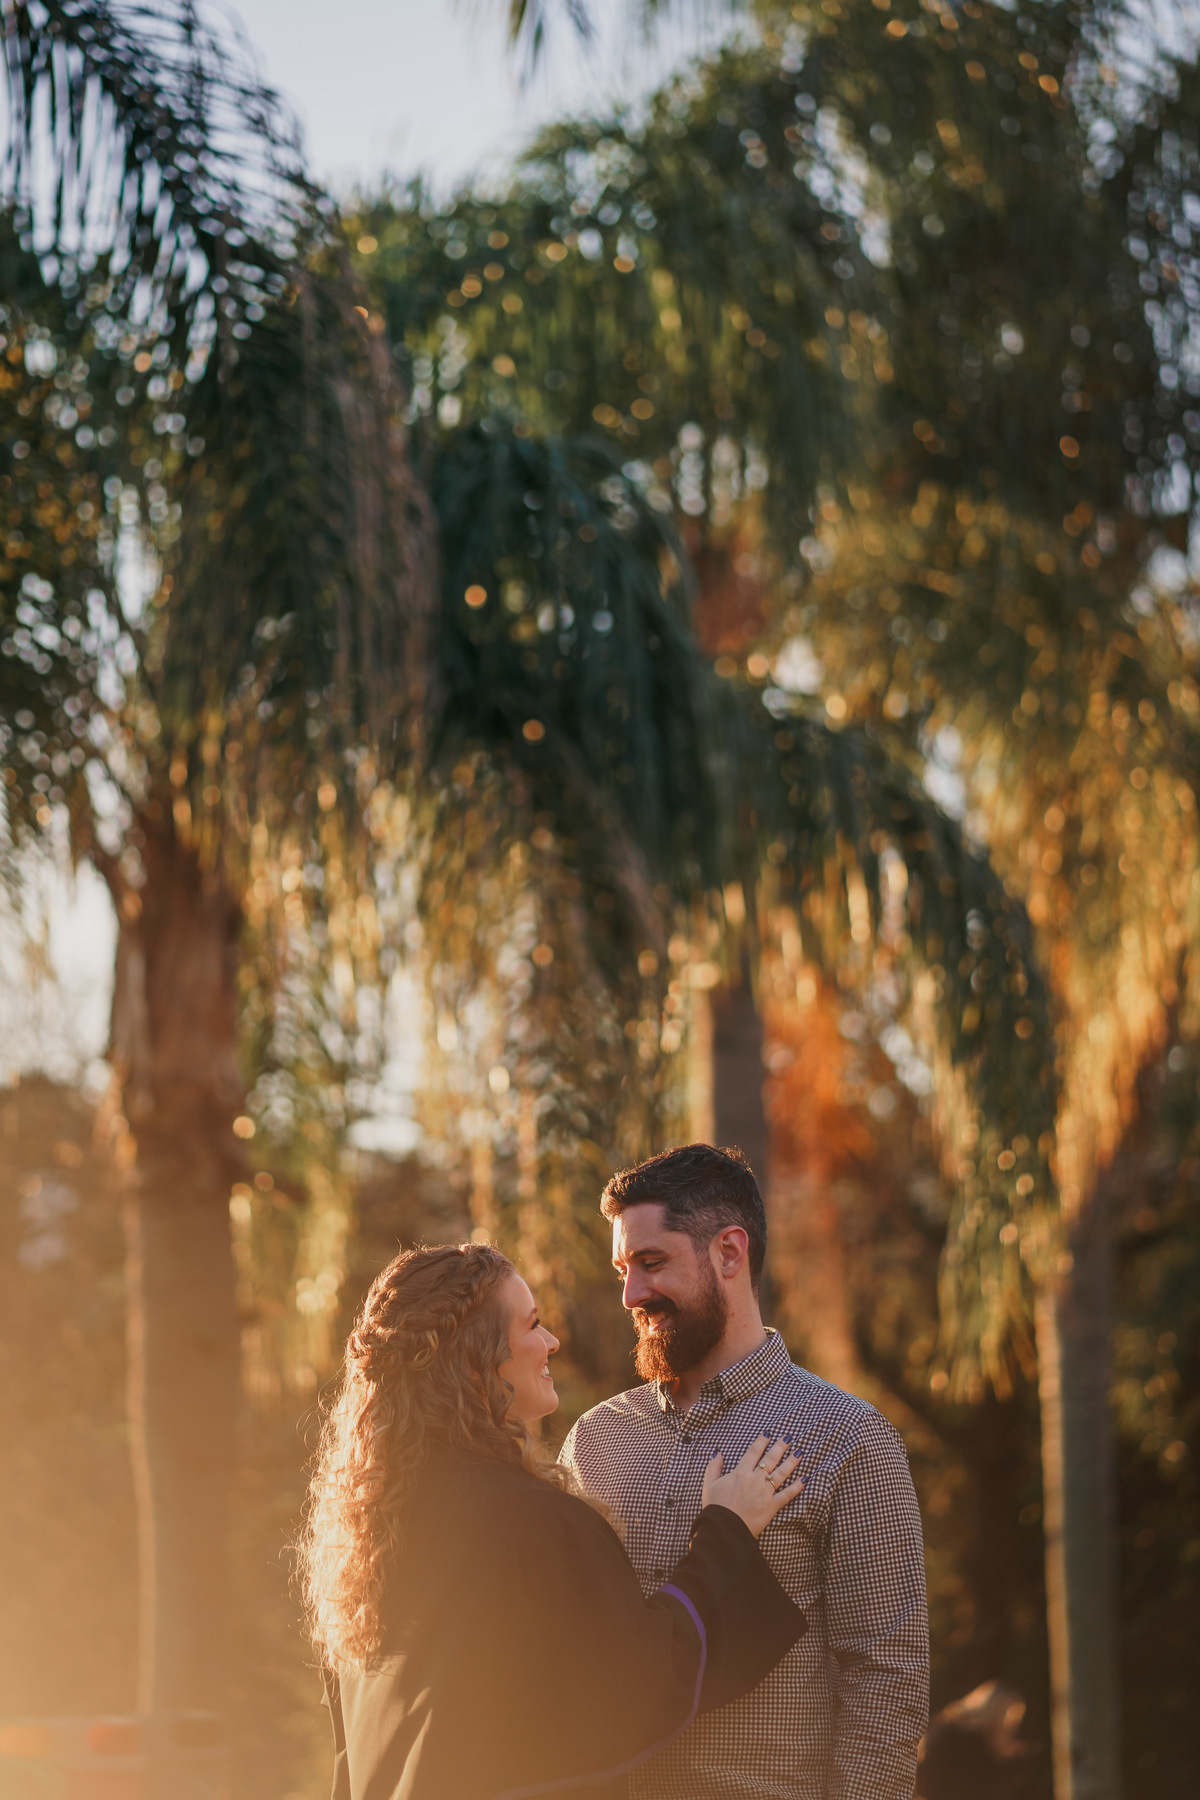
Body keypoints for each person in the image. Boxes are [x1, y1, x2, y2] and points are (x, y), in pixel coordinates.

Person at [300, 1240, 808, 1800]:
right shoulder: (531, 1523)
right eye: (532, 1325)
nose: (551, 1342)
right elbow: (634, 1682)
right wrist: (727, 1529)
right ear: (476, 1361)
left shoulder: (370, 1532)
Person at [560, 1143, 930, 1800]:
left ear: (729, 1254)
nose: (631, 1294)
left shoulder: (847, 1438)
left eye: (651, 1263)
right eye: (623, 1268)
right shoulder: (595, 1441)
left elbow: (885, 1683)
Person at [917, 1680, 1026, 1800]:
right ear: (993, 1716)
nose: (1011, 1731)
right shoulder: (961, 1744)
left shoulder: (967, 1740)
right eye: (1008, 1724)